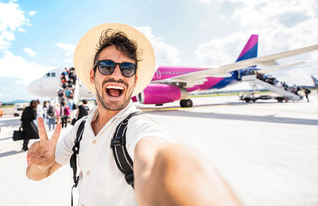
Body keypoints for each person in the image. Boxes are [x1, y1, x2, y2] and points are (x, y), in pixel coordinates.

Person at [26, 23, 241, 206]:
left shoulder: (139, 127)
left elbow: (157, 161)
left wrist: (176, 166)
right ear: (92, 76)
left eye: (127, 69)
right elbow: (36, 175)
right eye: (107, 66)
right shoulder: (81, 128)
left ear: (135, 80)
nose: (117, 74)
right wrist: (38, 163)